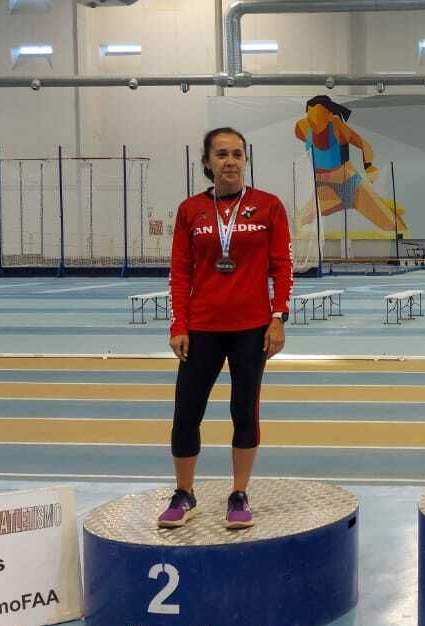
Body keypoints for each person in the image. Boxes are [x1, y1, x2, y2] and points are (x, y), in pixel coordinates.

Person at [160, 127, 293, 530]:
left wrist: (278, 317)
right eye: (221, 154)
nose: (230, 161)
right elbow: (179, 272)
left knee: (244, 412)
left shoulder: (269, 207)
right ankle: (184, 493)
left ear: (245, 160)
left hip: (252, 329)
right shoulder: (190, 211)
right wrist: (178, 324)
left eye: (237, 154)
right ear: (207, 163)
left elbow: (282, 267)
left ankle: (239, 493)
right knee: (186, 414)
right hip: (201, 329)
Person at [293, 95, 407, 236]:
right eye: (311, 118)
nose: (314, 123)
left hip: (351, 185)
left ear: (329, 115)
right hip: (324, 188)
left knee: (394, 226)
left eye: (318, 119)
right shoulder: (302, 128)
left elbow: (364, 145)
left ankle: (390, 214)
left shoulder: (337, 127)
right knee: (301, 219)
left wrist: (368, 165)